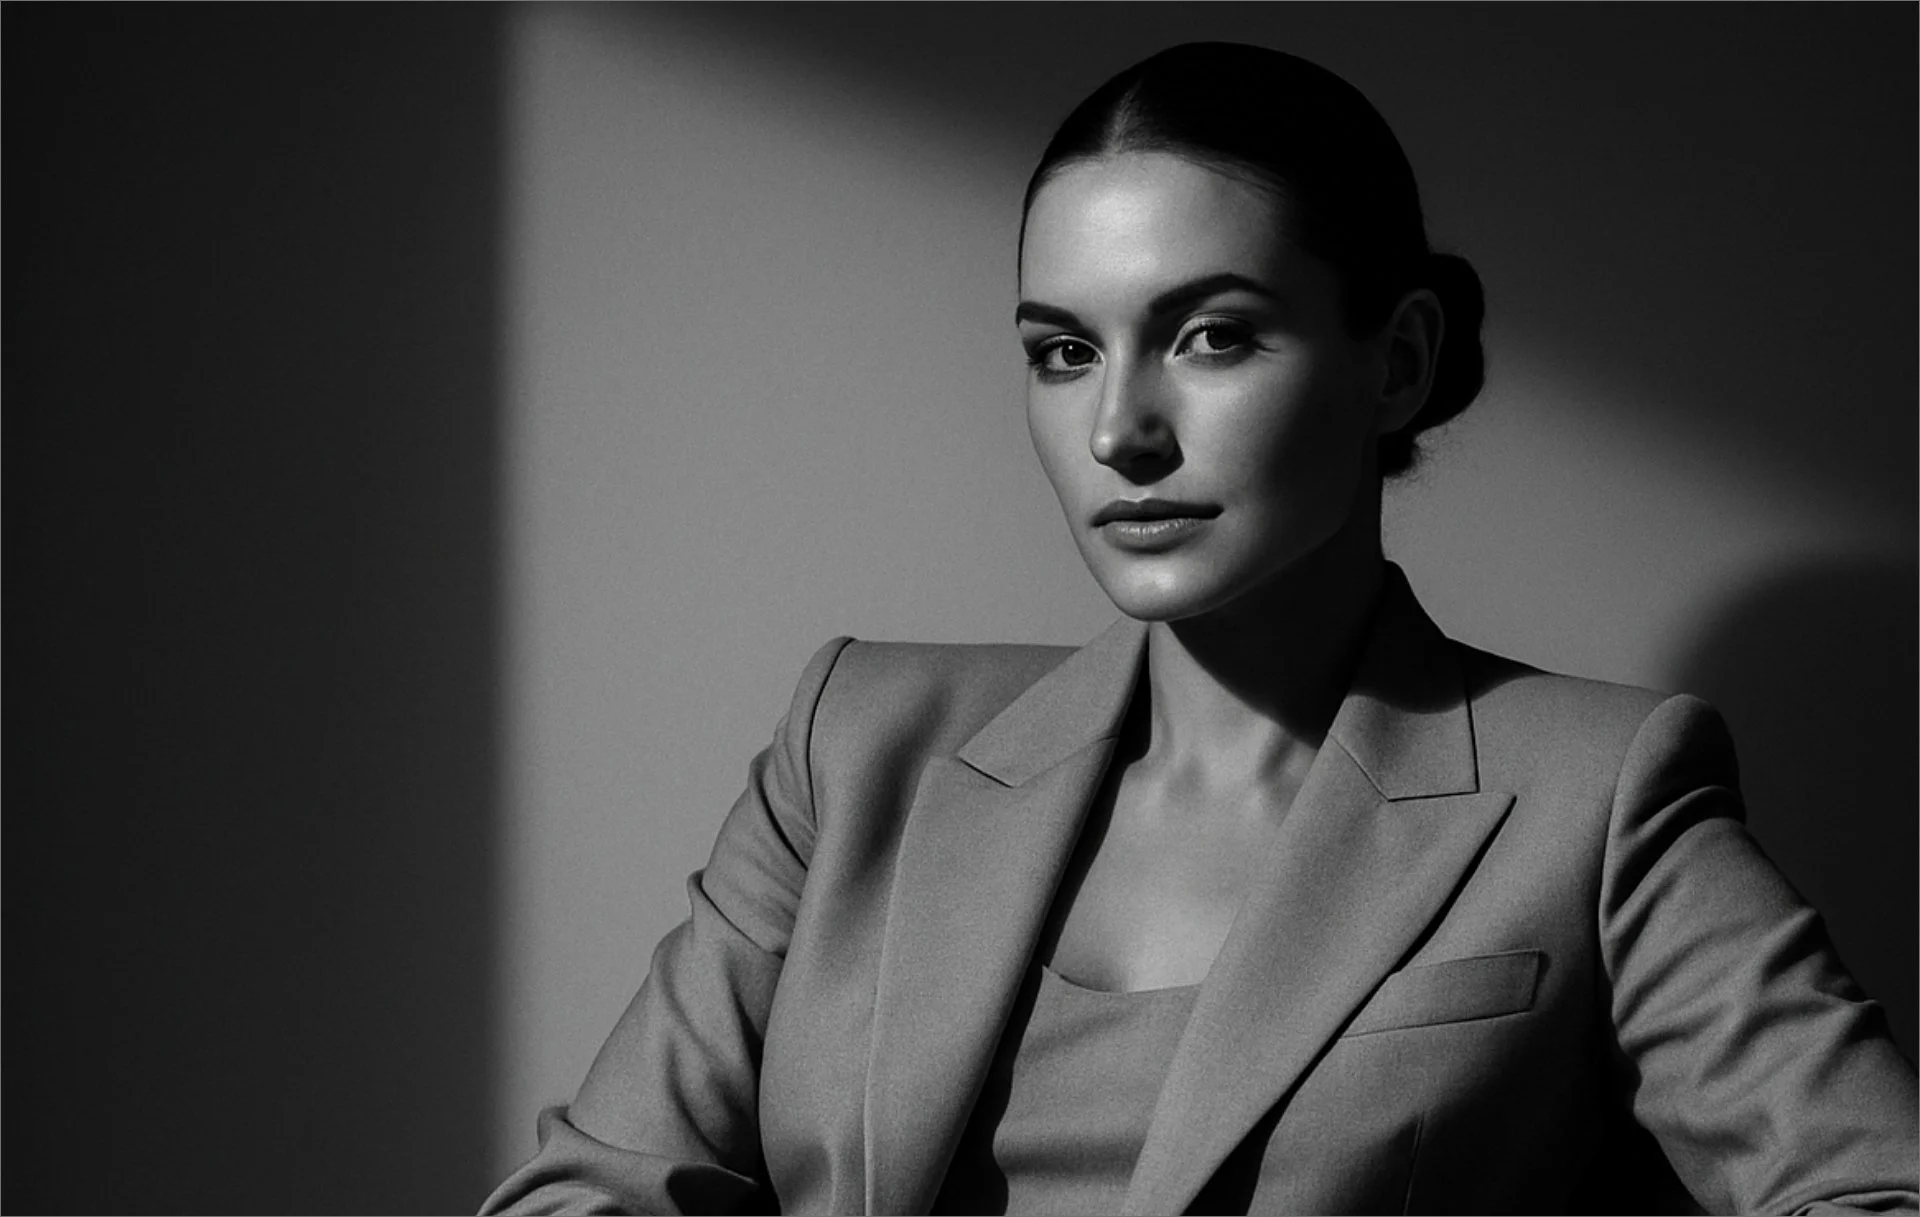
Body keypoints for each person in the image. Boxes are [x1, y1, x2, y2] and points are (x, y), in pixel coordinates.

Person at [481, 42, 1917, 1215]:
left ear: (1398, 361)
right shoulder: (857, 746)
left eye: (1213, 334)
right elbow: (590, 1194)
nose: (1120, 430)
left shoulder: (1597, 797)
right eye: (1063, 353)